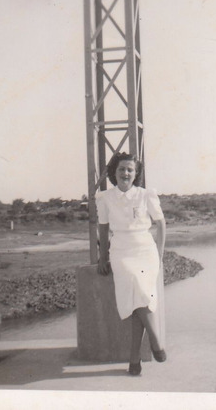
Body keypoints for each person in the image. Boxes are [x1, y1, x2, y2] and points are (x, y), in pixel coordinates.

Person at [96, 152, 167, 376]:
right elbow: (104, 228)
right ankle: (156, 341)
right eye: (121, 169)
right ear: (113, 173)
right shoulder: (105, 198)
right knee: (137, 290)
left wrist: (160, 252)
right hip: (121, 252)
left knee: (139, 301)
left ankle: (134, 359)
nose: (125, 173)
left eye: (130, 170)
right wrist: (102, 257)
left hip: (146, 251)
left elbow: (161, 224)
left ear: (135, 174)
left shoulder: (146, 195)